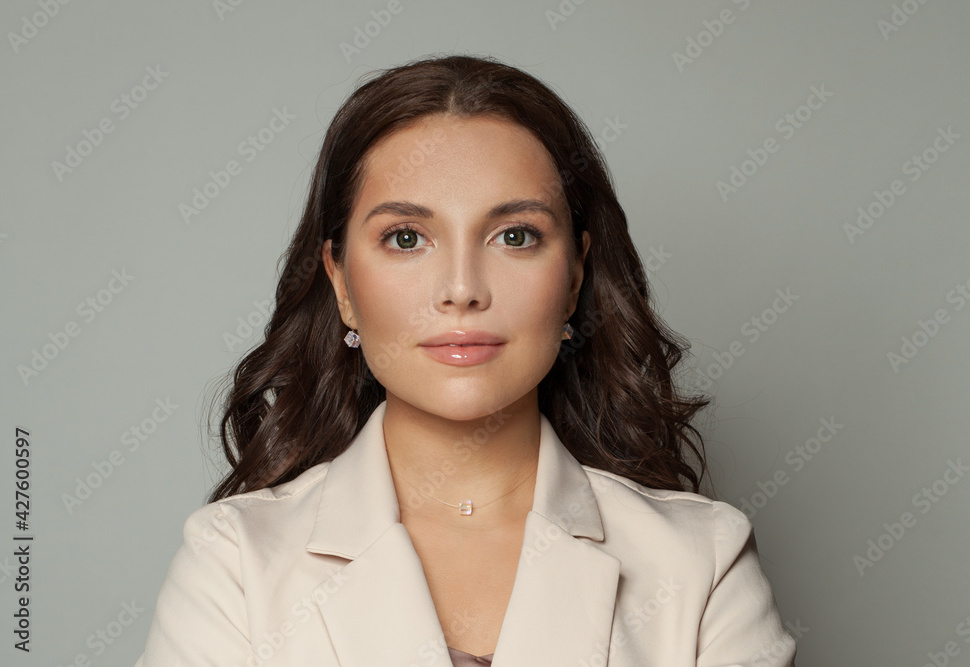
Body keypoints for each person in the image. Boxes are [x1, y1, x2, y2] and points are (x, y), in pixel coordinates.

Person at [135, 53, 797, 666]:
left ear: (573, 277)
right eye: (405, 237)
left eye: (515, 235)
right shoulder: (234, 563)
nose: (461, 288)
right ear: (340, 282)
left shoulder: (700, 562)